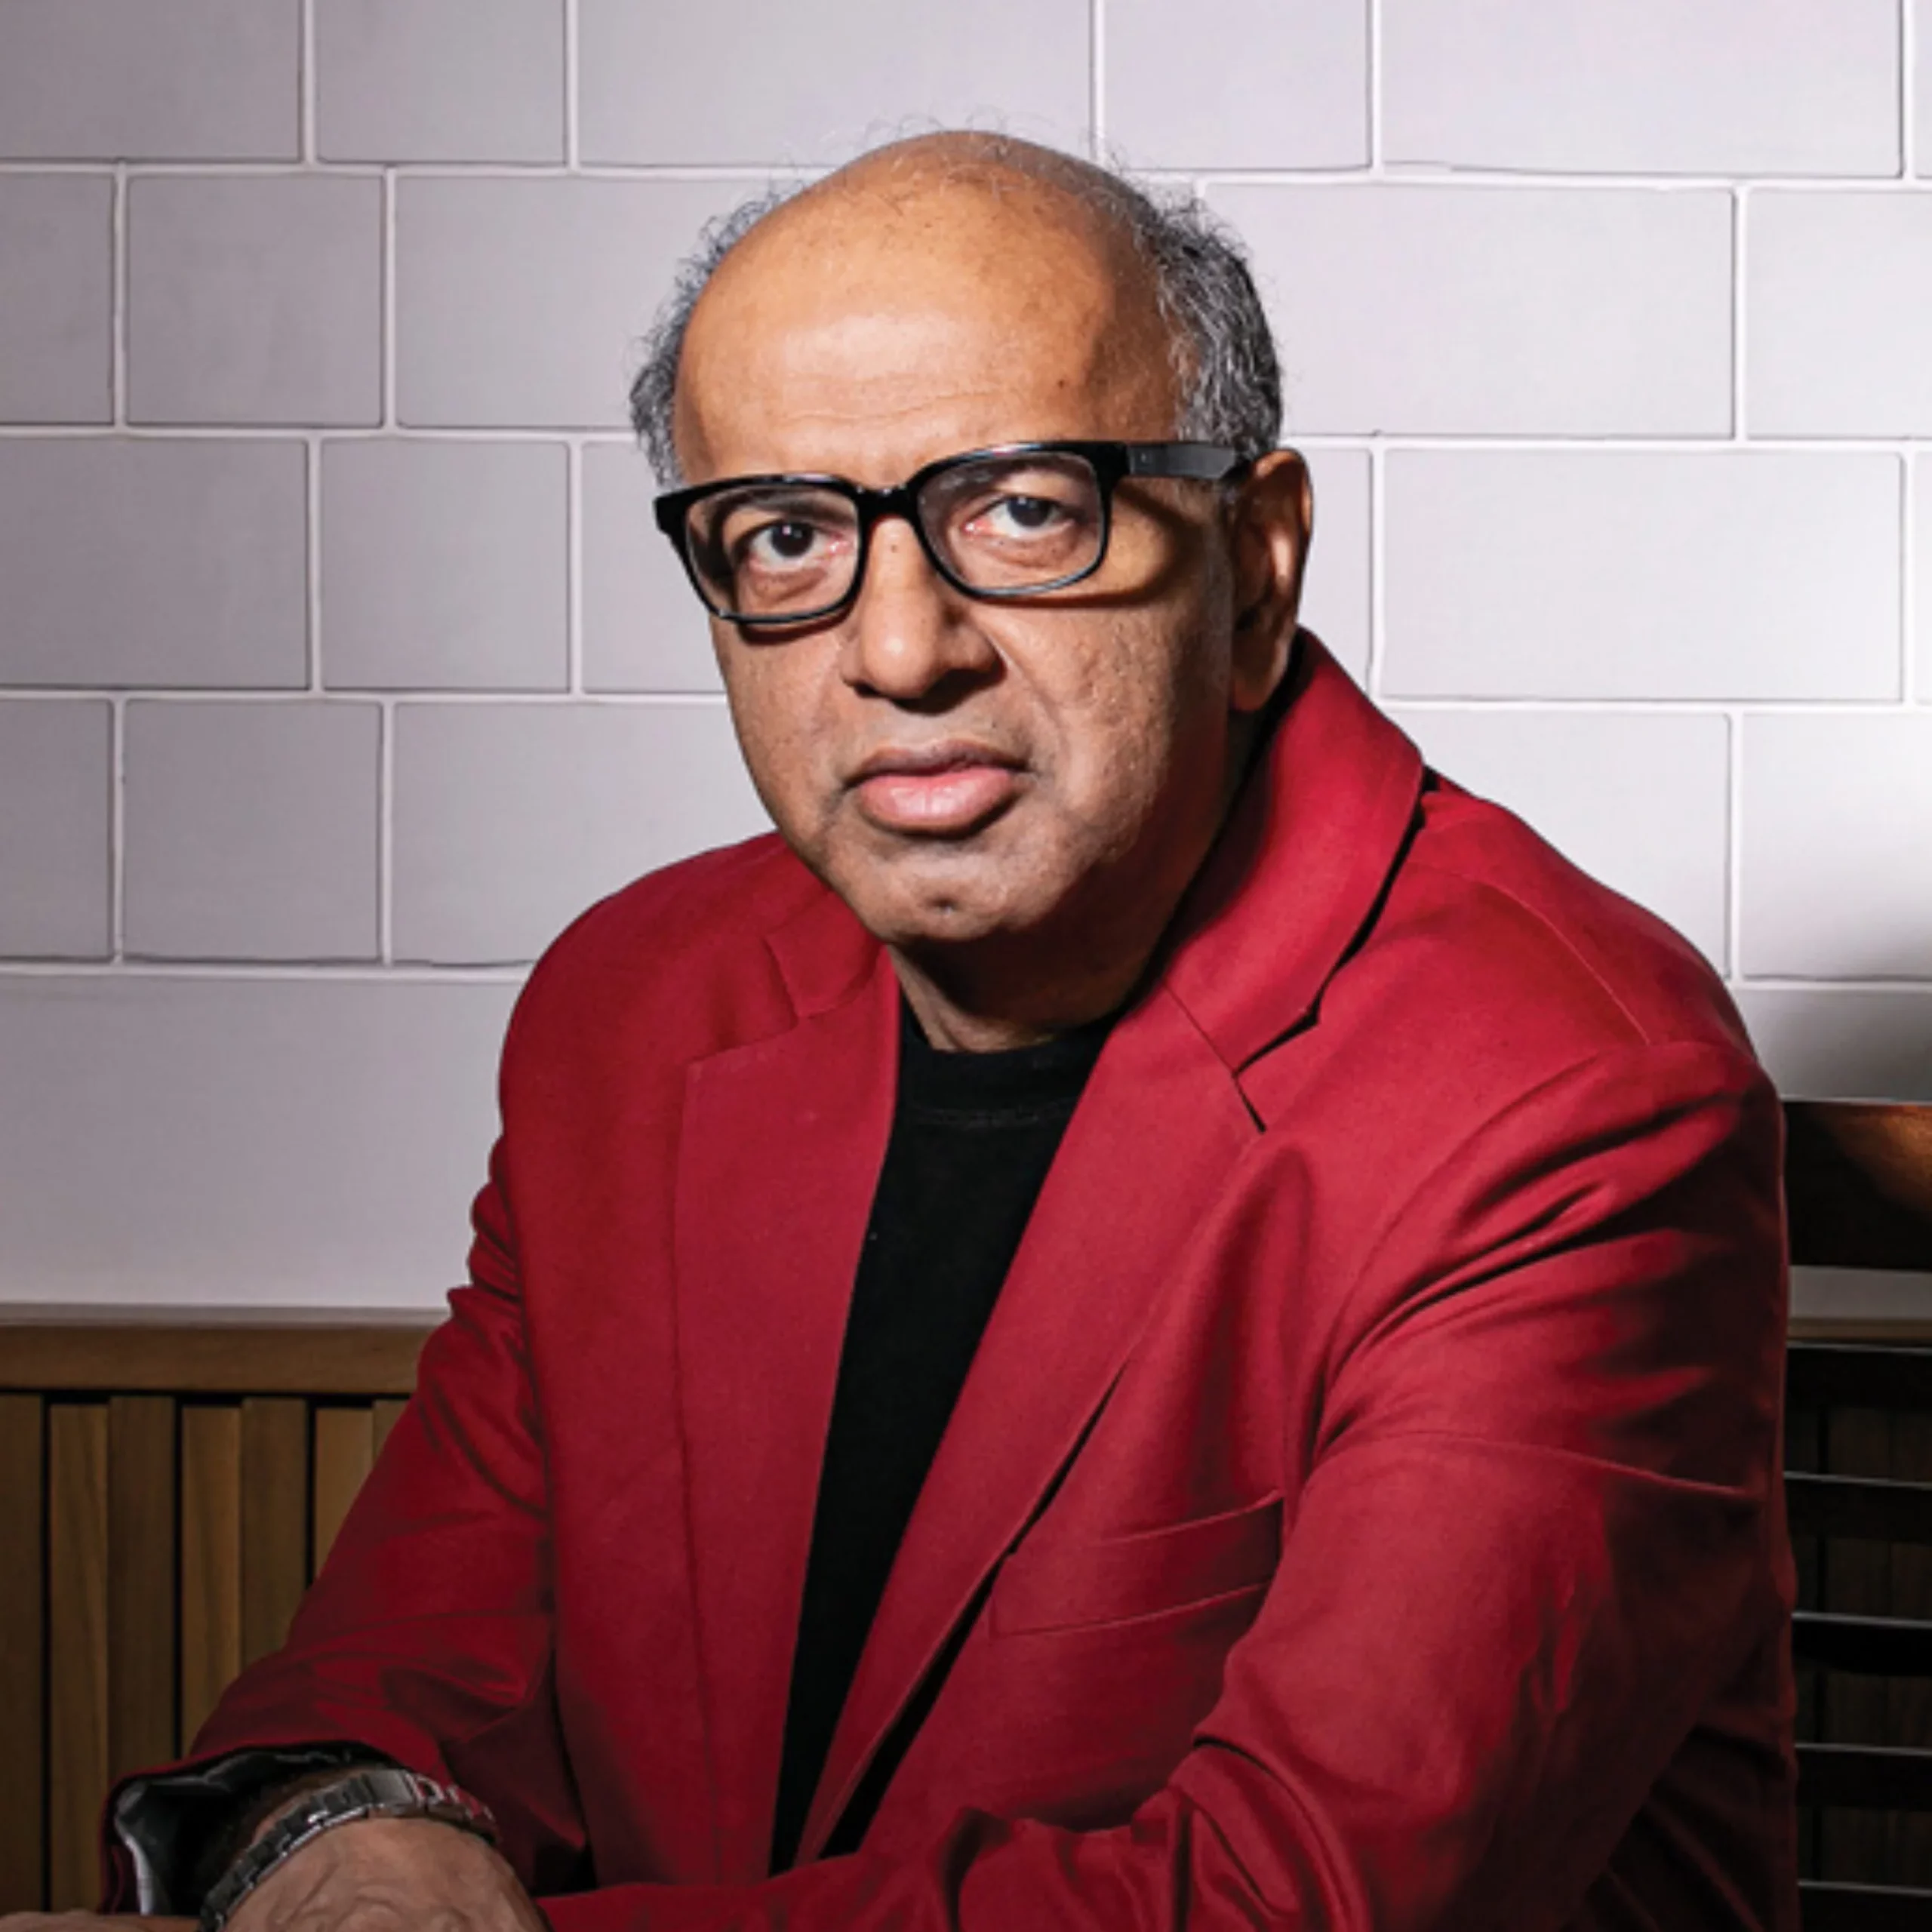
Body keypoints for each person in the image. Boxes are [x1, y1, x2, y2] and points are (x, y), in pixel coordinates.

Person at [31, 131, 1795, 1930]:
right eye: (787, 536)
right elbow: (402, 1672)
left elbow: (1296, 1901)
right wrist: (331, 1838)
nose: (895, 649)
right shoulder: (627, 1014)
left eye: (1023, 508)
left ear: (1255, 566)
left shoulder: (1567, 1096)